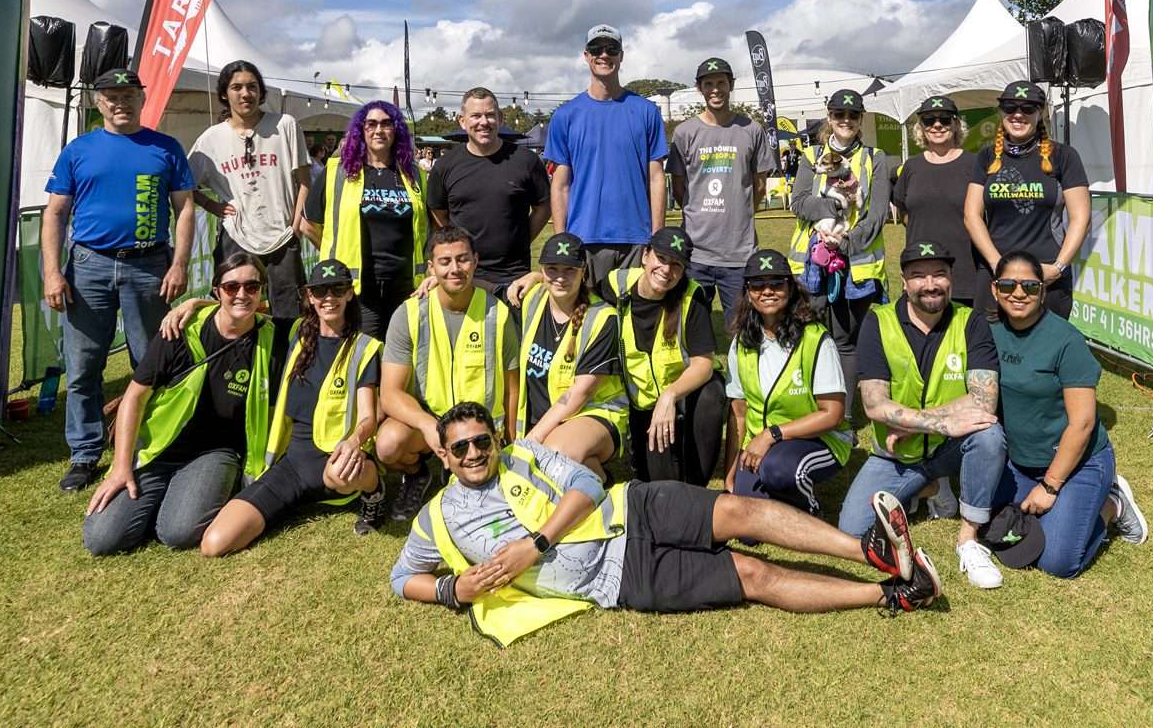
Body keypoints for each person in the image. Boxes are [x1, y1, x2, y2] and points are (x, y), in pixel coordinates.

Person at [390, 401, 942, 644]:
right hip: (621, 578)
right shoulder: (439, 518)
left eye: (481, 441)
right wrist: (451, 589)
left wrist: (537, 543)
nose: (472, 453)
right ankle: (892, 594)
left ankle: (867, 548)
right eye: (459, 446)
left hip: (634, 506)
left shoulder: (526, 455)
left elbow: (586, 484)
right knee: (752, 576)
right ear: (442, 454)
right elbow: (400, 578)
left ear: (496, 438)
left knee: (737, 511)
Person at [41, 67, 197, 493]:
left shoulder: (165, 148)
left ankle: (151, 444)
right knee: (83, 366)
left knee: (151, 361)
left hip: (148, 267)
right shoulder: (79, 150)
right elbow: (54, 213)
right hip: (89, 267)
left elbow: (184, 208)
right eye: (111, 95)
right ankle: (85, 453)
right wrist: (52, 272)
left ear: (142, 99)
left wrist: (179, 262)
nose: (120, 102)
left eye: (128, 94)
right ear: (98, 102)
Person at [838, 239, 1009, 591]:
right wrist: (938, 421)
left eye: (939, 274)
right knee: (852, 531)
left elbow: (983, 400)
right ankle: (929, 487)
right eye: (919, 276)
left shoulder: (970, 320)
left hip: (947, 445)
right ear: (904, 281)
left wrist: (917, 423)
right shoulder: (878, 321)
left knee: (988, 433)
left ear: (950, 278)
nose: (930, 284)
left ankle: (969, 538)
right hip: (897, 451)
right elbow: (874, 404)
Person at [186, 259, 388, 551]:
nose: (328, 297)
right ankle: (291, 501)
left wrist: (356, 440)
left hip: (336, 466)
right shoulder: (293, 334)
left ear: (349, 293)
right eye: (320, 291)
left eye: (337, 289)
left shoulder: (363, 348)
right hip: (291, 467)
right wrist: (193, 303)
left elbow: (369, 416)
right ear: (309, 296)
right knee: (214, 544)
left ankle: (374, 491)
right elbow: (240, 309)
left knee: (341, 475)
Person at [82, 252, 278, 555]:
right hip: (158, 449)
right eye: (231, 287)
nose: (242, 294)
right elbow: (135, 396)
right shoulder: (179, 331)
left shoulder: (271, 337)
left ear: (262, 290)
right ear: (217, 291)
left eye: (252, 286)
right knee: (101, 540)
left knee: (178, 532)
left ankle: (173, 499)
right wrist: (121, 467)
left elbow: (319, 315)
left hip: (214, 452)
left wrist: (197, 300)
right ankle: (157, 497)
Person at [988, 251, 1147, 578]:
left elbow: (1083, 422)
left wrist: (1049, 487)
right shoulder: (988, 333)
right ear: (995, 289)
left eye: (1030, 286)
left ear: (1043, 291)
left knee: (1057, 562)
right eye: (1008, 285)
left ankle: (1112, 504)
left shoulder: (1066, 340)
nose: (1019, 293)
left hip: (1076, 464)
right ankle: (1069, 507)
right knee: (996, 529)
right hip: (1020, 463)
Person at [377, 227, 520, 521]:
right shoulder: (409, 314)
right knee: (388, 444)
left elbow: (512, 389)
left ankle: (466, 462)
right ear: (431, 267)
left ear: (476, 261)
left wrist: (512, 444)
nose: (455, 269)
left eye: (463, 259)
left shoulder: (498, 313)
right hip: (432, 422)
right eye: (445, 261)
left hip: (479, 427)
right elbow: (390, 394)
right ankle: (417, 475)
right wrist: (428, 425)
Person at [787, 88, 894, 419]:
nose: (845, 120)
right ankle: (809, 409)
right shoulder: (809, 155)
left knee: (847, 341)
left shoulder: (876, 157)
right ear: (829, 117)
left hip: (856, 262)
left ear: (861, 119)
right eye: (838, 114)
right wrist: (833, 204)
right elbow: (799, 202)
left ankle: (843, 416)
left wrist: (846, 242)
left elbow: (877, 214)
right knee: (811, 335)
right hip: (812, 263)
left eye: (852, 115)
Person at [723, 249, 850, 514]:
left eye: (776, 283)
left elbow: (833, 415)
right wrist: (731, 472)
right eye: (757, 284)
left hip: (819, 439)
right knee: (747, 528)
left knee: (779, 471)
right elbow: (739, 414)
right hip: (761, 444)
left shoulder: (816, 339)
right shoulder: (741, 342)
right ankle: (779, 500)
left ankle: (810, 511)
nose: (767, 290)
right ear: (747, 291)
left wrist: (772, 435)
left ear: (791, 288)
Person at [544, 24, 668, 287]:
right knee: (588, 321)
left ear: (621, 55)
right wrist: (562, 243)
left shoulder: (647, 112)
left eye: (611, 49)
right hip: (583, 239)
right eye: (596, 49)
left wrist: (656, 240)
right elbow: (561, 185)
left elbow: (656, 179)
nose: (604, 55)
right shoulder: (566, 116)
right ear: (586, 56)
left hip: (637, 238)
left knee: (635, 322)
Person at [188, 60, 312, 321]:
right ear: (224, 93)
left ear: (261, 91)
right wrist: (213, 206)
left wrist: (297, 224)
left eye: (252, 87)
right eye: (237, 87)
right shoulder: (211, 138)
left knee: (289, 315)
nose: (246, 94)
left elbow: (304, 182)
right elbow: (182, 185)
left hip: (282, 237)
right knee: (236, 311)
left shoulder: (285, 125)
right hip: (237, 237)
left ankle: (285, 362)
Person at [604, 226, 727, 486]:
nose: (667, 271)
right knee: (661, 485)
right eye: (661, 258)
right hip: (640, 406)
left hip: (682, 396)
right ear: (645, 255)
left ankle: (697, 485)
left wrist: (670, 395)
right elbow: (572, 291)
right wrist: (537, 277)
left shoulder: (691, 296)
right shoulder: (616, 286)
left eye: (677, 265)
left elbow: (703, 364)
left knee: (713, 392)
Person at [301, 100, 426, 340]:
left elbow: (428, 228)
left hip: (407, 287)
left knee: (402, 358)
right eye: (371, 124)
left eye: (386, 124)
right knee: (364, 357)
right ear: (361, 130)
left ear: (396, 129)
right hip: (359, 289)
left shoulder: (415, 174)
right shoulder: (337, 172)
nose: (379, 130)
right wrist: (335, 251)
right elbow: (308, 225)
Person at [966, 80, 1089, 319]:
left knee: (1046, 350)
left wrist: (1058, 268)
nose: (1018, 115)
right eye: (1010, 108)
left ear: (1040, 113)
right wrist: (997, 264)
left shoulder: (1063, 156)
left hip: (1045, 273)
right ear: (1001, 112)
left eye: (1028, 108)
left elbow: (1080, 218)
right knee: (989, 349)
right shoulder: (987, 156)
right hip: (995, 273)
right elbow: (971, 216)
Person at [667, 56, 774, 318]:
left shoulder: (752, 129)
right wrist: (700, 215)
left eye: (721, 83)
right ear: (699, 88)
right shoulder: (684, 132)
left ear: (731, 85)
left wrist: (740, 213)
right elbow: (679, 188)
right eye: (709, 84)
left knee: (739, 325)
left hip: (738, 251)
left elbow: (759, 185)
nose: (716, 89)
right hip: (696, 251)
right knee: (691, 324)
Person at [514, 232, 627, 478]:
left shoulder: (602, 318)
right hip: (546, 416)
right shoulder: (532, 297)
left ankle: (599, 482)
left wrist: (531, 441)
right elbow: (479, 291)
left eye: (569, 270)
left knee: (554, 454)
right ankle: (587, 468)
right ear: (541, 270)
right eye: (552, 269)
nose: (560, 277)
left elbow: (580, 393)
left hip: (593, 411)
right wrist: (436, 279)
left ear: (583, 271)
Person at [426, 87, 551, 299]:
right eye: (475, 116)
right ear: (462, 121)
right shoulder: (445, 165)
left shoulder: (526, 161)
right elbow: (438, 213)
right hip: (464, 274)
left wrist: (521, 240)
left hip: (513, 275)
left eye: (490, 115)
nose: (483, 122)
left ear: (500, 119)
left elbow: (543, 207)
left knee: (512, 332)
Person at [890, 95, 988, 303]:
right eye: (929, 120)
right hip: (921, 273)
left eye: (944, 119)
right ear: (921, 127)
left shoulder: (976, 164)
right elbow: (905, 214)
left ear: (956, 124)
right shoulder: (911, 167)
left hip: (965, 274)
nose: (937, 125)